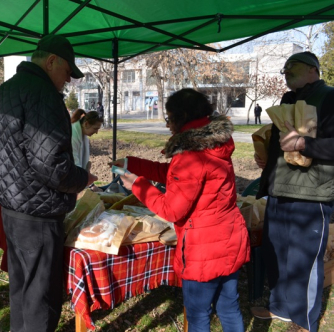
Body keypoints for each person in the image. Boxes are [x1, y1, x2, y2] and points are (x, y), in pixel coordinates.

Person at [110, 88, 250, 332]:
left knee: (198, 316)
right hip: (229, 239)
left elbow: (172, 210)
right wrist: (135, 165)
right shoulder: (213, 144)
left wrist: (136, 185)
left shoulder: (191, 154)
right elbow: (178, 177)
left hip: (203, 248)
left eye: (169, 118)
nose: (167, 125)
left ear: (182, 116)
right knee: (229, 307)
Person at [0, 34, 97, 332]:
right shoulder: (43, 95)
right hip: (37, 213)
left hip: (11, 206)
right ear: (51, 62)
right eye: (66, 73)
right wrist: (83, 177)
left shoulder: (5, 90)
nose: (68, 82)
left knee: (22, 288)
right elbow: (53, 166)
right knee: (41, 297)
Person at [251, 51, 334, 332]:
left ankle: (303, 319)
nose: (286, 72)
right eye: (284, 69)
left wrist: (303, 145)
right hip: (279, 189)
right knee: (277, 252)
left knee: (303, 259)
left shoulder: (330, 97)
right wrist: (266, 159)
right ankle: (279, 307)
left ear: (313, 70)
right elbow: (280, 142)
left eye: (292, 67)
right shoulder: (287, 99)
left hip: (312, 193)